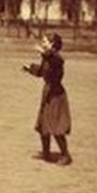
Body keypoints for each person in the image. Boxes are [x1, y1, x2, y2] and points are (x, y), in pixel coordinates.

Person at [23, 32, 72, 165]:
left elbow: (56, 60)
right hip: (47, 93)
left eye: (45, 41)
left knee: (56, 127)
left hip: (56, 95)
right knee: (43, 125)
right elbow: (41, 72)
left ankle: (65, 155)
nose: (43, 43)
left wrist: (44, 52)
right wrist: (30, 68)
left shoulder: (57, 58)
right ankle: (46, 153)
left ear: (52, 44)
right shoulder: (47, 58)